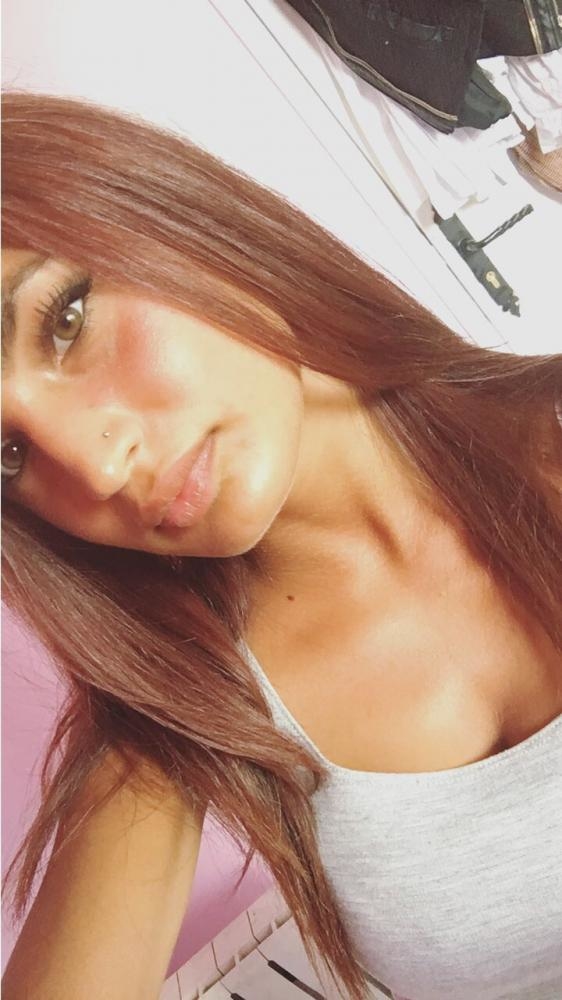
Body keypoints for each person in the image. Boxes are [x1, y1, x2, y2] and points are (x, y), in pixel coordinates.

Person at [1, 90, 561, 1000]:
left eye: (64, 320)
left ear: (165, 216)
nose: (96, 467)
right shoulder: (185, 716)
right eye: (8, 455)